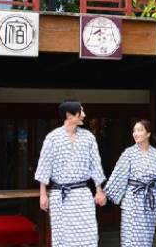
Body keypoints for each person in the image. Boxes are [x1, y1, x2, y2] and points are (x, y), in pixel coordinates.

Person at [34, 100, 107, 247]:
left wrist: (99, 191)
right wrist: (42, 194)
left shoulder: (88, 137)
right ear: (69, 115)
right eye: (81, 112)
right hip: (60, 196)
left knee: (89, 235)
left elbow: (95, 165)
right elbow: (44, 166)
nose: (84, 115)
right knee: (62, 238)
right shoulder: (52, 138)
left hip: (82, 195)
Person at [104, 119, 156, 247]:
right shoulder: (128, 154)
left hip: (150, 201)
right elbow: (118, 176)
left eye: (139, 130)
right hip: (132, 200)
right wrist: (106, 194)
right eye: (134, 131)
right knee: (130, 237)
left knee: (147, 237)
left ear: (148, 134)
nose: (135, 133)